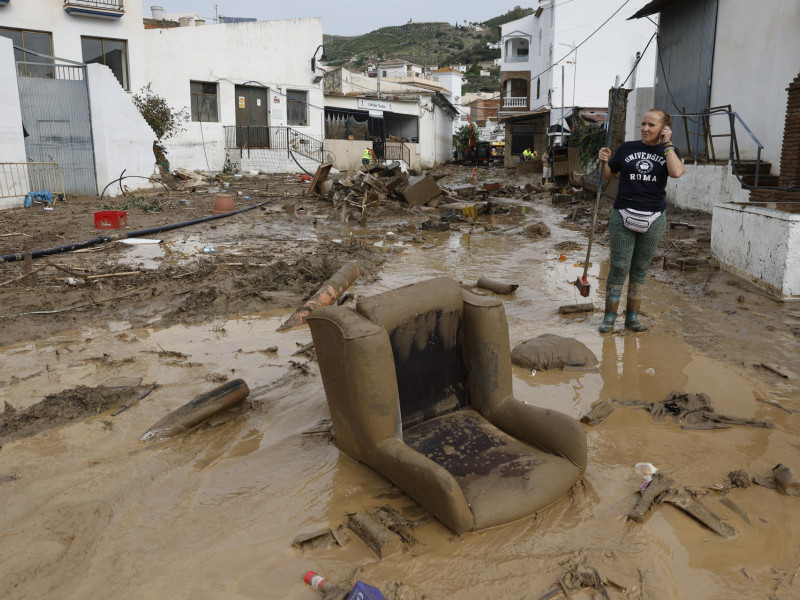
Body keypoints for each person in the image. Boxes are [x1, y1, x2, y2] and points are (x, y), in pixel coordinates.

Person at [596, 108, 686, 333]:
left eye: (652, 125)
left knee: (640, 268)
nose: (645, 129)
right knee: (618, 266)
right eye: (643, 124)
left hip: (654, 217)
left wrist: (667, 145)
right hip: (623, 213)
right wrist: (603, 161)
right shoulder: (627, 148)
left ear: (664, 128)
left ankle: (632, 317)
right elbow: (605, 176)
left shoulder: (670, 151)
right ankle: (609, 317)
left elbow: (676, 173)